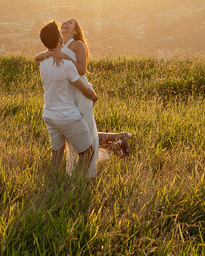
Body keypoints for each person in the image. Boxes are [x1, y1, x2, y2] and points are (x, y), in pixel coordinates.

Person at [35, 18, 133, 166]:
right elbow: (38, 57)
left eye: (71, 23)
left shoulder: (77, 44)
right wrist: (49, 54)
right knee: (76, 134)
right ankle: (115, 141)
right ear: (58, 38)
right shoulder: (59, 48)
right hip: (69, 92)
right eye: (64, 22)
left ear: (76, 30)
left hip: (80, 91)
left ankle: (117, 139)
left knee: (84, 130)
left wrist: (64, 57)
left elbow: (81, 70)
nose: (65, 23)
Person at [37, 21, 98, 176]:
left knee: (57, 154)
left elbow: (38, 57)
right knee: (87, 153)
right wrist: (94, 96)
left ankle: (53, 183)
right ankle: (74, 184)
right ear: (59, 40)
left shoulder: (43, 63)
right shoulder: (66, 65)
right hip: (67, 116)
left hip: (49, 114)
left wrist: (47, 54)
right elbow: (84, 89)